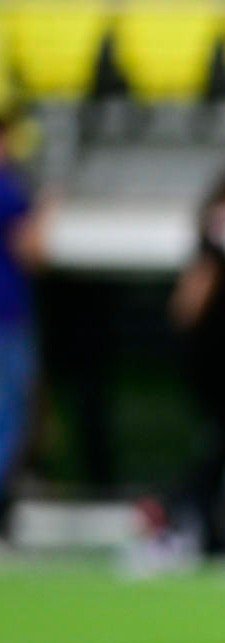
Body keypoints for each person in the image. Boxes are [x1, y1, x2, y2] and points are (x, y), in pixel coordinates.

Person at [153, 169, 225, 557]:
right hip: (219, 365)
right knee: (220, 445)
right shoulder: (215, 242)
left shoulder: (224, 245)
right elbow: (189, 302)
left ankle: (202, 522)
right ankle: (175, 513)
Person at [0, 112, 45, 544]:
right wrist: (46, 212)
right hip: (7, 317)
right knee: (9, 418)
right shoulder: (9, 190)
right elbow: (32, 250)